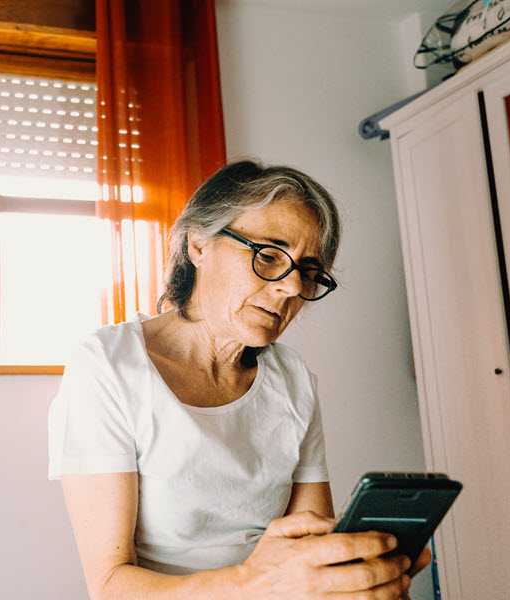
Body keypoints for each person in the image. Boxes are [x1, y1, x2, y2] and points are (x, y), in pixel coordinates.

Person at [47, 159, 431, 599]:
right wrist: (253, 585)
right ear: (198, 244)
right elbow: (110, 585)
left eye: (308, 272)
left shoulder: (293, 380)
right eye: (269, 255)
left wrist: (353, 576)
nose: (290, 289)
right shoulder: (109, 366)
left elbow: (304, 545)